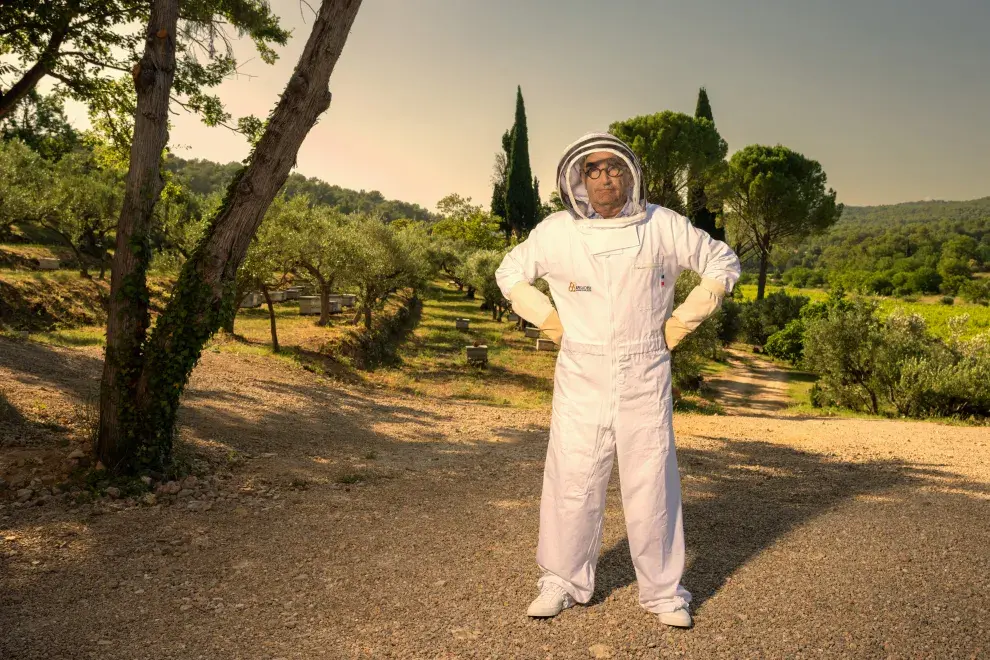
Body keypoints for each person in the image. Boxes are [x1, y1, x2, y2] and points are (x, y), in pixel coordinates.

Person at [495, 132, 740, 628]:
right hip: (580, 368)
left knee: (651, 479)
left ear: (630, 174)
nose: (604, 176)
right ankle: (561, 580)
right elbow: (509, 271)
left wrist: (681, 323)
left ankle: (664, 593)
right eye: (593, 169)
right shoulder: (556, 231)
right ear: (577, 180)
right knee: (572, 475)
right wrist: (548, 320)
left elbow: (723, 261)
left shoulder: (663, 225)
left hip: (645, 365)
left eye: (613, 167)